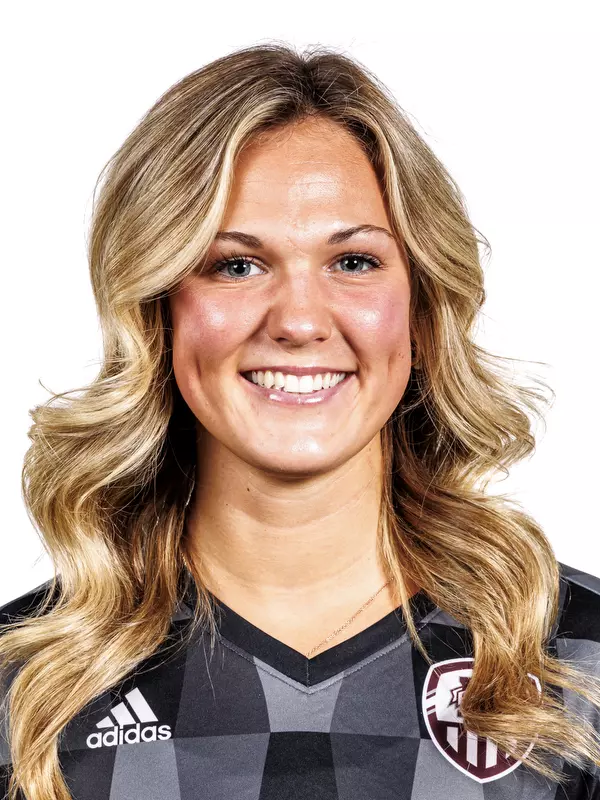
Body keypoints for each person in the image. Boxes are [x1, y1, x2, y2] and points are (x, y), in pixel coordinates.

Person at [1, 42, 599, 800]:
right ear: (156, 312)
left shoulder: (576, 661)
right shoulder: (26, 687)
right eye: (235, 264)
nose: (299, 321)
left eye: (352, 262)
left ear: (420, 309)